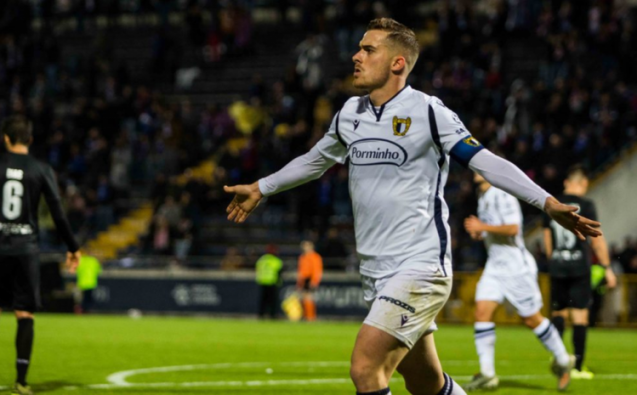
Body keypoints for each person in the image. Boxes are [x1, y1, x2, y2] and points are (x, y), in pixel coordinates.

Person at [223, 18, 601, 395]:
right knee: (426, 382)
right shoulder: (350, 114)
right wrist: (261, 187)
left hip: (420, 267)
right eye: (358, 48)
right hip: (376, 271)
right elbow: (314, 160)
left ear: (397, 63)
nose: (356, 56)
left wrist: (546, 202)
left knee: (366, 368)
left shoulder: (428, 112)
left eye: (368, 49)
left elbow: (485, 160)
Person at [463, 173, 574, 391]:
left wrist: (483, 227)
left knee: (531, 319)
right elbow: (493, 230)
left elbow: (513, 228)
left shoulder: (502, 193)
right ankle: (487, 374)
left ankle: (562, 360)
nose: (473, 170)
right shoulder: (483, 196)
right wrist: (481, 233)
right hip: (495, 266)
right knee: (482, 312)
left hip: (516, 268)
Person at [0, 116, 81, 395]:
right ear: (30, 140)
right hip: (25, 248)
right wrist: (73, 247)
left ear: (5, 139)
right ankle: (21, 381)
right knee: (24, 314)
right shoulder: (41, 168)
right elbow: (57, 212)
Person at [543, 165, 616, 379]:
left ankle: (557, 357)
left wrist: (554, 261)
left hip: (557, 265)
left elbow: (547, 239)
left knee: (558, 313)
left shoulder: (552, 203)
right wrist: (607, 268)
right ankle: (577, 367)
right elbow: (597, 239)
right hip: (579, 267)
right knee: (580, 316)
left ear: (567, 182)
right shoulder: (586, 205)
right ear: (582, 183)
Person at [297, 240, 323, 321]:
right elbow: (300, 270)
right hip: (303, 279)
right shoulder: (302, 257)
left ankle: (310, 317)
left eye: (307, 245)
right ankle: (305, 316)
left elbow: (317, 270)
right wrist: (299, 282)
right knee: (303, 298)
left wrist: (314, 281)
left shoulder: (315, 257)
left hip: (310, 279)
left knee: (309, 298)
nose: (305, 247)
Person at [255, 244, 283, 319]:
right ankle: (272, 315)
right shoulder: (276, 260)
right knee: (273, 301)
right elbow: (279, 272)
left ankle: (261, 315)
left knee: (263, 300)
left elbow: (258, 269)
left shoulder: (262, 259)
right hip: (272, 282)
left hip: (262, 281)